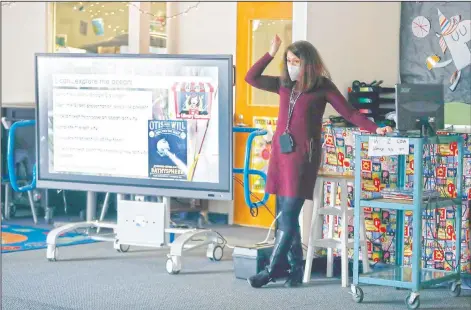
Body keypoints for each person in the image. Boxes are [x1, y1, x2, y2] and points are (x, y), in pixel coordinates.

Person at [244, 35, 393, 289]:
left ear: (308, 63)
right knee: (284, 215)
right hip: (281, 154)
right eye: (288, 60)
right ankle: (295, 269)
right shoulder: (283, 84)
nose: (291, 65)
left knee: (289, 213)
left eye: (295, 61)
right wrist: (270, 53)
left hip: (303, 156)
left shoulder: (322, 86)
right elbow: (251, 77)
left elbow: (350, 112)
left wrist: (375, 128)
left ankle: (271, 270)